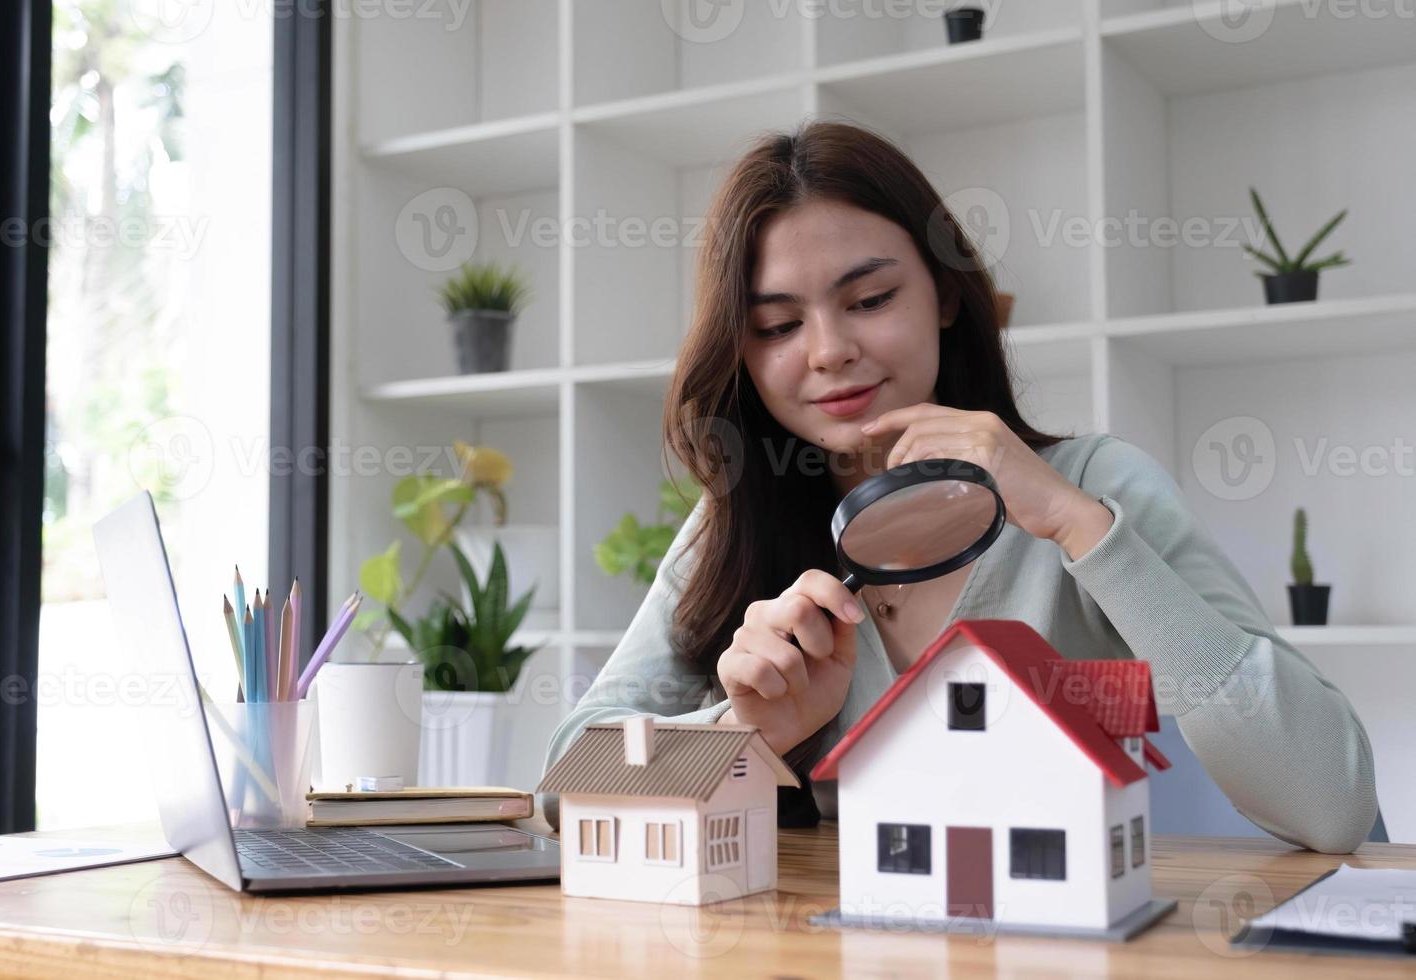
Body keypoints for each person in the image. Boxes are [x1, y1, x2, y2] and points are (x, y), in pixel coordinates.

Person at [539, 121, 1378, 853]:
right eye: (778, 326)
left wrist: (1077, 528)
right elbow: (560, 789)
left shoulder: (1093, 489)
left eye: (868, 298)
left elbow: (1331, 807)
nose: (827, 350)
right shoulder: (730, 533)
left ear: (944, 294)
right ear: (742, 352)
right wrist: (740, 735)